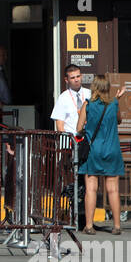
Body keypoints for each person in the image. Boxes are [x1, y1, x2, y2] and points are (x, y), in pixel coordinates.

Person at [75, 74, 126, 235]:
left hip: (93, 150)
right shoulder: (114, 104)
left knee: (91, 188)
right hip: (112, 150)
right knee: (113, 189)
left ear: (94, 87)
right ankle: (117, 225)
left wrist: (87, 127)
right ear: (107, 88)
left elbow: (78, 128)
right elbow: (119, 120)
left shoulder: (88, 105)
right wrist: (116, 99)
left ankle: (89, 225)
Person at [50, 64, 90, 226]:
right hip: (71, 143)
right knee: (69, 179)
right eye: (72, 78)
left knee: (86, 179)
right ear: (66, 80)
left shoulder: (88, 94)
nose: (76, 80)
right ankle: (68, 215)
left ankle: (85, 217)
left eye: (78, 76)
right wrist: (65, 142)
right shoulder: (63, 98)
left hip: (87, 142)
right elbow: (60, 124)